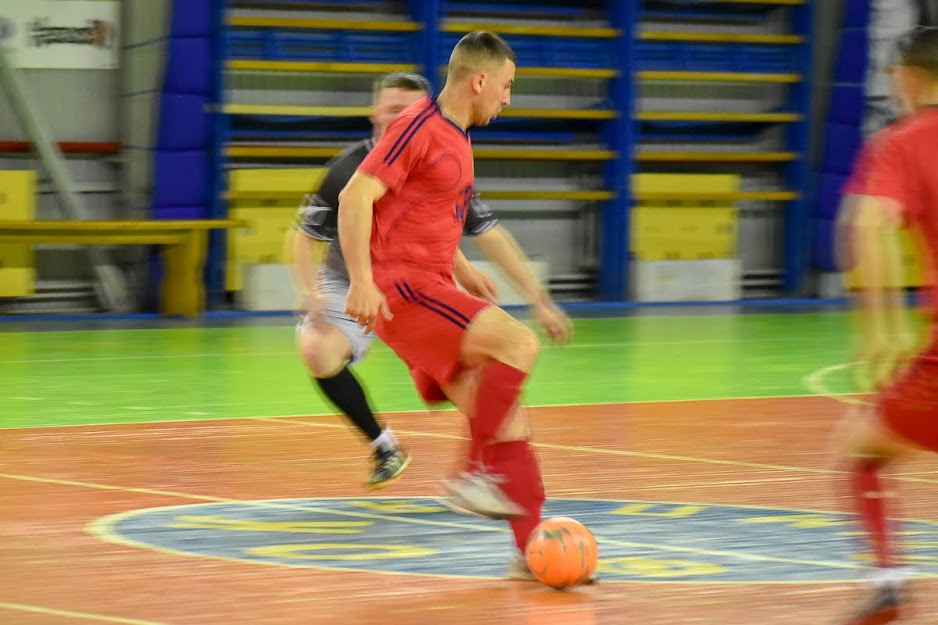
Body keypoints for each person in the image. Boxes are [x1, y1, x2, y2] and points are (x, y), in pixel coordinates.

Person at [338, 31, 573, 577]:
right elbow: (356, 195)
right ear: (480, 80)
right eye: (508, 86)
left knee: (508, 418)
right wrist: (360, 280)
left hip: (431, 285)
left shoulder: (458, 139)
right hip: (404, 290)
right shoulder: (418, 126)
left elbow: (429, 215)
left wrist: (464, 270)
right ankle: (472, 474)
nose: (508, 99)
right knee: (519, 344)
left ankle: (531, 553)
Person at [290, 70, 570, 498]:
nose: (399, 118)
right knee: (316, 348)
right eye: (391, 110)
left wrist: (522, 292)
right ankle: (387, 447)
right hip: (352, 282)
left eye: (409, 110)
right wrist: (309, 291)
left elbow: (444, 223)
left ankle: (509, 496)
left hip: (414, 289)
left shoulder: (436, 149)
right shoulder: (348, 169)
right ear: (373, 114)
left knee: (479, 388)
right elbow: (306, 234)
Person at [833, 26, 938, 625]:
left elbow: (871, 226)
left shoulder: (902, 142)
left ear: (912, 77)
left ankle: (889, 580)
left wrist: (882, 328)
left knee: (860, 452)